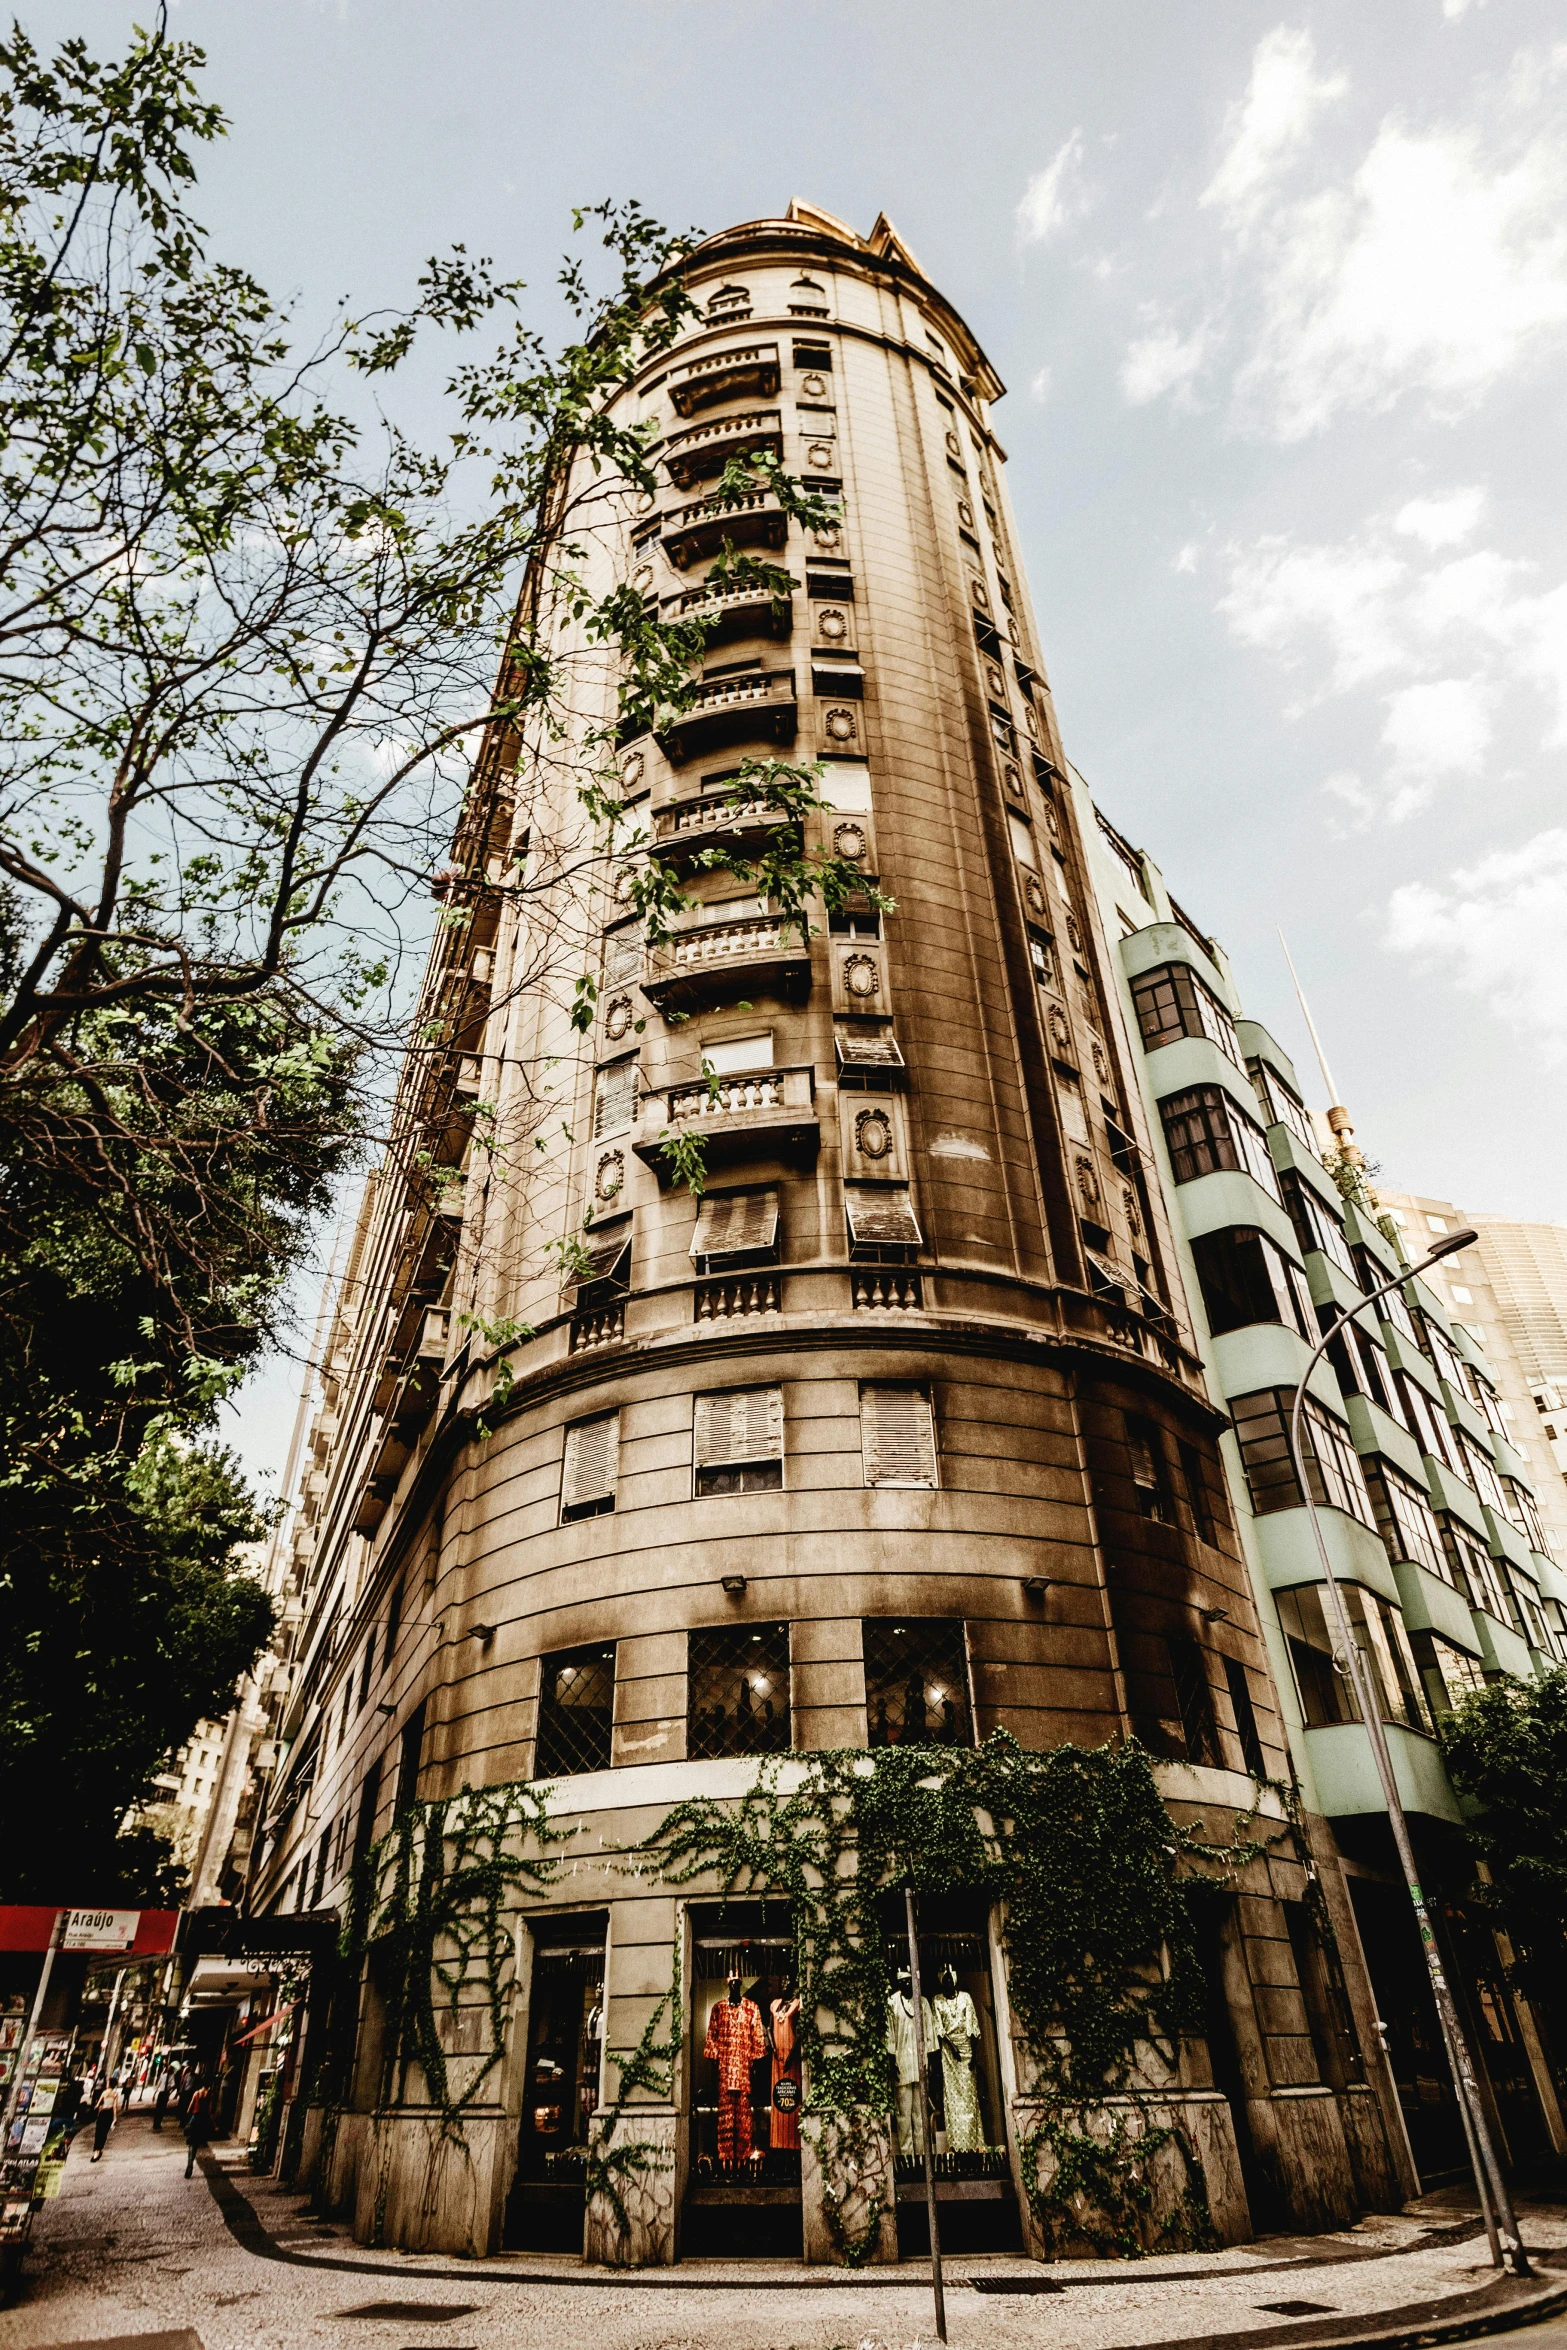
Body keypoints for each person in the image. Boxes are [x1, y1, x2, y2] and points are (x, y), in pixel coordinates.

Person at [182, 2078, 216, 2177]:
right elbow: (210, 2111)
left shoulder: (196, 2093)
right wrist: (214, 2123)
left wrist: (187, 2118)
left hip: (195, 2118)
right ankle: (191, 2161)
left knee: (191, 2144)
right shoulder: (210, 2095)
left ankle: (190, 2164)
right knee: (196, 2142)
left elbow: (190, 2107)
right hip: (203, 2120)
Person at [89, 2080, 121, 2162]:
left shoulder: (104, 2093)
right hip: (109, 2114)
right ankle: (100, 2149)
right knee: (104, 2133)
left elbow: (97, 2105)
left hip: (102, 2113)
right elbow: (114, 2107)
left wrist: (96, 2108)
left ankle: (96, 2152)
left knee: (98, 2132)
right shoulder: (115, 2094)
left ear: (109, 2084)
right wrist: (115, 2118)